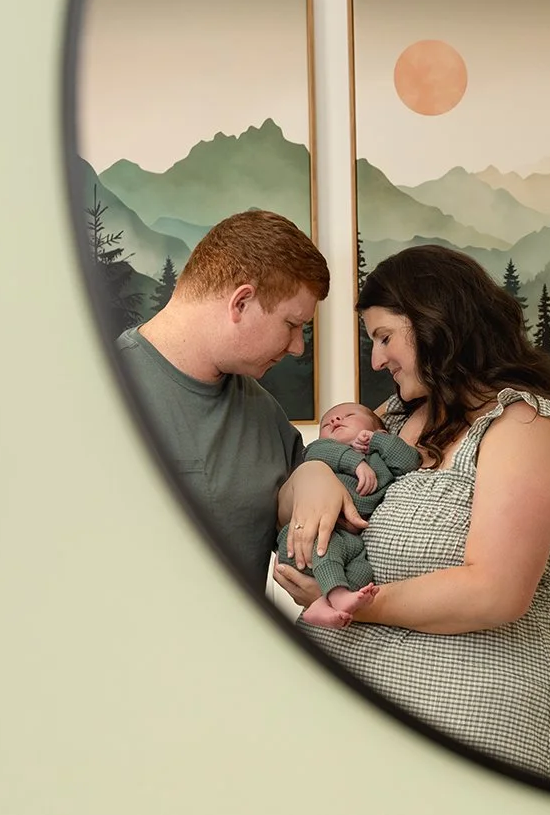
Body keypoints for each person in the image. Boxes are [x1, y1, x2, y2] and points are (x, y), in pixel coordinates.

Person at [273, 244, 550, 784]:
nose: (377, 361)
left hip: (473, 716)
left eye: (385, 337)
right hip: (354, 722)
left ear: (435, 322)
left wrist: (347, 604)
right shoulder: (395, 416)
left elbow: (494, 592)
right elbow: (294, 500)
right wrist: (312, 476)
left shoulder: (528, 428)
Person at [113, 209, 366, 594]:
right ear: (241, 303)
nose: (298, 347)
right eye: (292, 325)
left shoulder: (266, 416)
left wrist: (316, 474)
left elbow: (300, 521)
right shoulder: (99, 387)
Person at [275, 401, 422, 627]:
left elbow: (409, 461)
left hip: (350, 539)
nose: (334, 420)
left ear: (379, 430)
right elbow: (317, 450)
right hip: (309, 537)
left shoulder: (381, 460)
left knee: (363, 573)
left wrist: (376, 440)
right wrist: (355, 463)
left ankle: (324, 604)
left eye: (348, 415)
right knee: (326, 545)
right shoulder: (322, 452)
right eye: (327, 423)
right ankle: (337, 595)